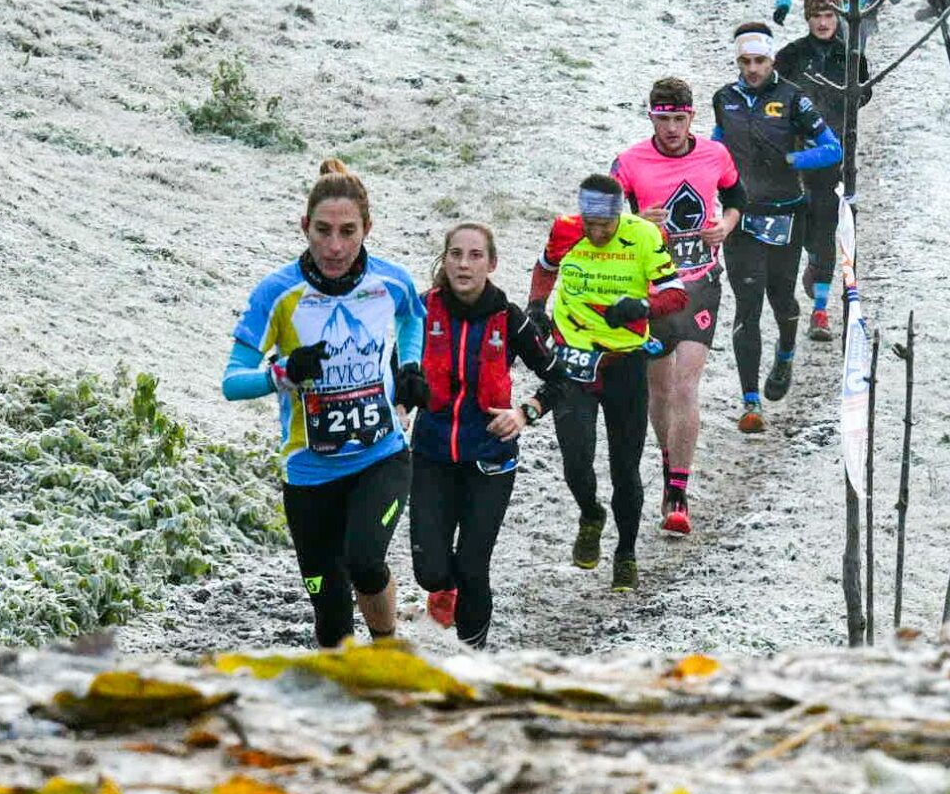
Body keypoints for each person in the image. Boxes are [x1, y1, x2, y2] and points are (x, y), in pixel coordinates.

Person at [223, 160, 426, 649]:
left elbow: (411, 318)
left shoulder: (391, 281)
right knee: (330, 612)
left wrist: (411, 367)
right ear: (304, 228)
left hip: (381, 456)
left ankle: (386, 650)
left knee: (363, 560)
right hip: (310, 472)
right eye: (323, 231)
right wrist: (283, 373)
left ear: (367, 230)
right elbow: (232, 382)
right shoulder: (277, 294)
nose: (334, 246)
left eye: (347, 232)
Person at [529, 176, 685, 591]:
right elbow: (545, 268)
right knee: (575, 461)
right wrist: (536, 306)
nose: (596, 233)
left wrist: (644, 305)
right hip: (573, 359)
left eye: (605, 224)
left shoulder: (644, 235)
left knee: (625, 469)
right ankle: (590, 513)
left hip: (624, 363)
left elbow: (676, 293)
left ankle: (626, 552)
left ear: (621, 214)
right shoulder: (565, 229)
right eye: (590, 224)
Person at [409, 222, 560, 648]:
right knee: (429, 571)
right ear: (445, 260)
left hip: (490, 460)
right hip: (432, 455)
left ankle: (471, 658)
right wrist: (401, 402)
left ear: (491, 264)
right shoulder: (422, 311)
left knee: (474, 568)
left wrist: (524, 413)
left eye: (475, 255)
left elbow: (559, 381)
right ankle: (444, 587)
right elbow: (396, 370)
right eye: (456, 254)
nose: (463, 263)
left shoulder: (508, 319)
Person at [612, 79, 742, 538]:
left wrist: (724, 226)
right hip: (654, 290)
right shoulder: (629, 162)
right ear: (650, 117)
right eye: (662, 118)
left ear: (692, 119)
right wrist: (630, 221)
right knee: (661, 392)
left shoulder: (714, 155)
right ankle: (670, 468)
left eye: (678, 119)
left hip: (702, 285)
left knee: (687, 386)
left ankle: (679, 493)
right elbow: (600, 220)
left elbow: (737, 197)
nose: (670, 128)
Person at [711, 25, 842, 428]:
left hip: (787, 215)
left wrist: (792, 161)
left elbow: (831, 147)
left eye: (760, 61)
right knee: (747, 307)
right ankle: (751, 403)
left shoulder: (793, 99)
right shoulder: (724, 99)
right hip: (742, 218)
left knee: (782, 300)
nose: (753, 69)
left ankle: (785, 353)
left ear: (771, 62)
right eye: (745, 62)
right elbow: (717, 145)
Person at [774, 0, 868, 341]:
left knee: (829, 227)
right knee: (799, 227)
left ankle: (821, 311)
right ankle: (808, 269)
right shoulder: (791, 55)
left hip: (838, 159)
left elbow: (863, 95)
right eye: (816, 16)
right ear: (807, 18)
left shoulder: (852, 58)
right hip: (797, 155)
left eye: (829, 14)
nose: (823, 22)